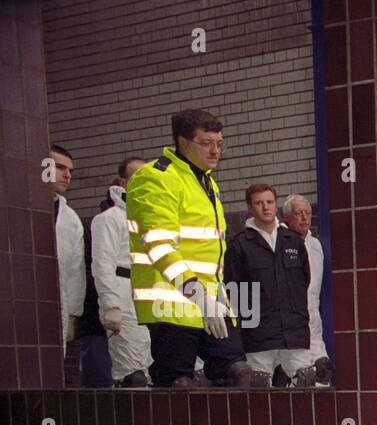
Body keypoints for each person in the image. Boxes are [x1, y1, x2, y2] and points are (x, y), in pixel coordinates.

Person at [127, 109, 251, 387]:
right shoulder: (158, 177)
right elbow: (158, 245)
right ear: (182, 143)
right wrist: (197, 294)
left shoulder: (206, 181)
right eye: (206, 143)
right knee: (178, 383)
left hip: (211, 298)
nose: (215, 151)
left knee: (238, 371)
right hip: (170, 299)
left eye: (219, 143)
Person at [225, 184, 313, 388]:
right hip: (258, 334)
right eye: (259, 203)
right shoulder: (240, 245)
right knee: (258, 386)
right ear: (250, 207)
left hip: (294, 331)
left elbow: (304, 281)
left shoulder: (293, 241)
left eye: (270, 202)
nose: (266, 207)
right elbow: (233, 291)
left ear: (276, 205)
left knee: (306, 381)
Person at [91, 156, 151, 386]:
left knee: (156, 373)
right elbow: (102, 264)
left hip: (153, 303)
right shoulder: (109, 219)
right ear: (123, 182)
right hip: (124, 302)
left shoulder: (153, 220)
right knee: (132, 376)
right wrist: (110, 306)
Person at [282, 194, 332, 385]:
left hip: (314, 321)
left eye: (308, 213)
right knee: (303, 377)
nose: (304, 217)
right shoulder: (281, 243)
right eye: (298, 213)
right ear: (287, 216)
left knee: (323, 370)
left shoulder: (315, 245)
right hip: (290, 324)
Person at [50, 145, 87, 382]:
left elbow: (76, 270)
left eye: (70, 170)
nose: (67, 175)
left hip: (57, 301)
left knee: (51, 370)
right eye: (60, 167)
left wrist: (73, 314)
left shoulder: (70, 219)